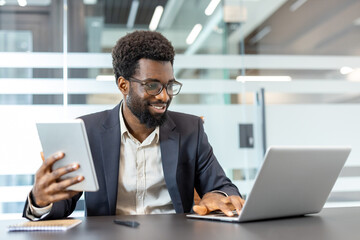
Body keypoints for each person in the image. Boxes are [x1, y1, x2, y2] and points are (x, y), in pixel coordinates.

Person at [23, 30, 244, 220]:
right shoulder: (87, 131)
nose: (164, 96)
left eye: (169, 85)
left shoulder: (190, 129)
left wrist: (220, 197)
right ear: (123, 85)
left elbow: (223, 187)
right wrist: (40, 200)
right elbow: (62, 203)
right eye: (153, 86)